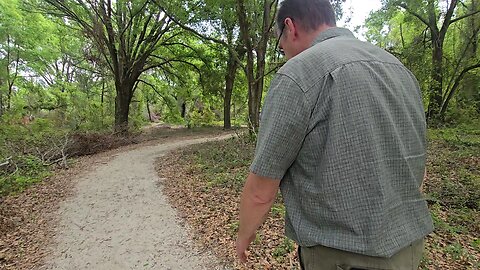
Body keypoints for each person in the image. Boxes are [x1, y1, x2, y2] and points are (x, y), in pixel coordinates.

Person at [235, 0, 434, 269]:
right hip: (409, 250)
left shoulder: (298, 73)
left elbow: (261, 189)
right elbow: (418, 167)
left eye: (281, 48)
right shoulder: (399, 69)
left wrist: (243, 236)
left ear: (289, 27)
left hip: (343, 257)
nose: (285, 56)